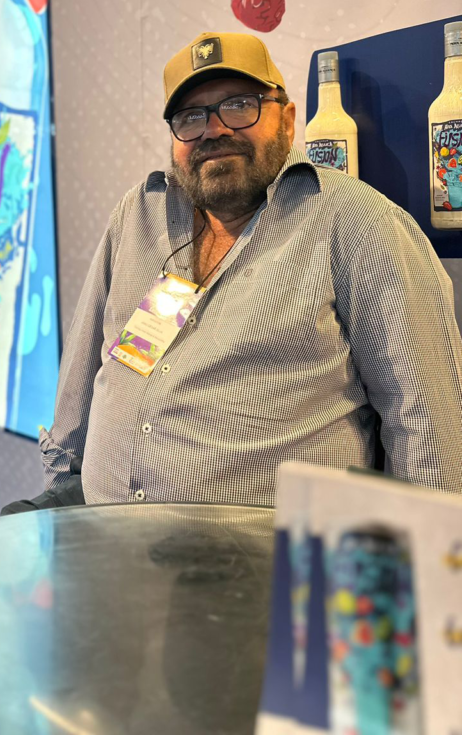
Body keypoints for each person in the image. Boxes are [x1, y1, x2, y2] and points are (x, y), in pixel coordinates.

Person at [36, 31, 462, 507]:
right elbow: (83, 379)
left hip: (270, 554)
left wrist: (429, 547)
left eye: (239, 105)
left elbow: (428, 426)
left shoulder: (358, 223)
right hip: (106, 541)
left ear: (288, 119)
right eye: (190, 116)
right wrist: (57, 497)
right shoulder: (139, 214)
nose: (213, 129)